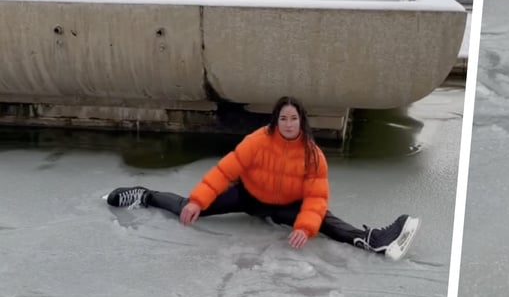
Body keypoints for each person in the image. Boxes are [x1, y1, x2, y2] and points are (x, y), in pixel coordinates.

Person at [105, 96, 420, 260]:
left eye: (293, 118)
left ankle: (373, 242)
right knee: (188, 207)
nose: (287, 123)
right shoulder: (257, 141)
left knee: (321, 218)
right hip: (249, 196)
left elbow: (316, 198)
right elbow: (224, 171)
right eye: (282, 118)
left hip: (285, 205)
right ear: (275, 121)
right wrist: (200, 201)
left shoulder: (312, 154)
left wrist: (305, 226)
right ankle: (145, 195)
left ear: (301, 121)